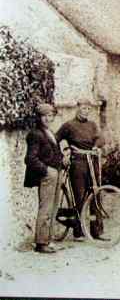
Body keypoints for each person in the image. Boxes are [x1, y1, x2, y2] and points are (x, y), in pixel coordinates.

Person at [56, 99, 104, 241]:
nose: (86, 111)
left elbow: (100, 138)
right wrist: (62, 155)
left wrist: (97, 145)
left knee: (95, 193)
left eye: (88, 109)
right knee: (80, 195)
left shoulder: (92, 125)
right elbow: (55, 139)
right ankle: (79, 232)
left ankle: (97, 231)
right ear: (77, 108)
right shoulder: (69, 126)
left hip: (92, 161)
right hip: (78, 163)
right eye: (83, 108)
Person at [24, 103, 67, 253]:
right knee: (46, 208)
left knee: (53, 208)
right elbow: (30, 159)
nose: (49, 119)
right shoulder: (35, 134)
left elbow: (53, 153)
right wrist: (47, 170)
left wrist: (62, 159)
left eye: (51, 116)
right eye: (45, 116)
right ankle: (41, 243)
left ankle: (49, 240)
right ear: (39, 118)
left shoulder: (50, 133)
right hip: (48, 176)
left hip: (56, 173)